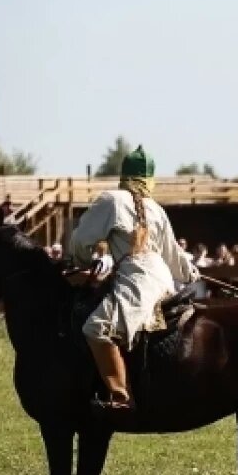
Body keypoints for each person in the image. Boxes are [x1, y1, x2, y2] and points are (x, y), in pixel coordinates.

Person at [68, 145, 199, 413]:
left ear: (123, 174)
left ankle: (120, 397)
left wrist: (82, 261)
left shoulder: (111, 200)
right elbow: (172, 254)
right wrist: (191, 272)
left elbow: (80, 240)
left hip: (137, 279)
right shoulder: (156, 208)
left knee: (96, 328)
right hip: (162, 277)